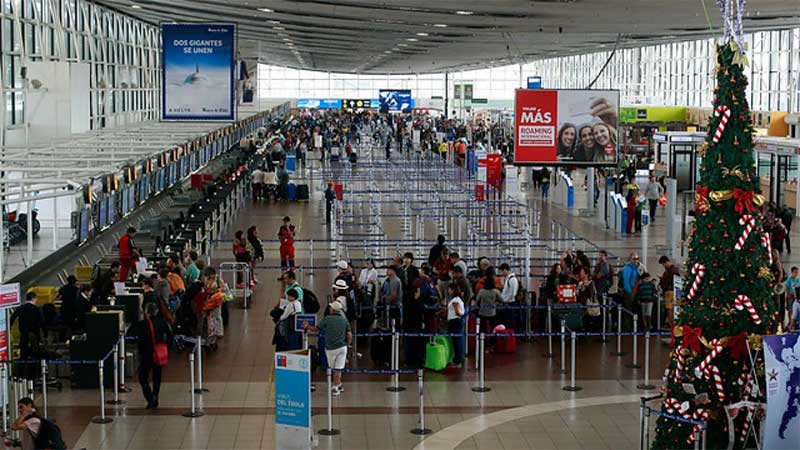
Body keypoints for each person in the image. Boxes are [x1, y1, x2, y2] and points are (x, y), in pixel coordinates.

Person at [304, 301, 351, 396]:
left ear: (333, 310)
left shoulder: (327, 319)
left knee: (334, 369)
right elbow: (349, 335)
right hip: (342, 347)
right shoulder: (344, 320)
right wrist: (347, 345)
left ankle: (335, 387)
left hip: (331, 348)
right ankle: (339, 384)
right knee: (339, 368)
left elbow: (316, 329)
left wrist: (307, 326)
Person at [133, 302, 171, 409]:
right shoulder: (162, 322)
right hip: (160, 353)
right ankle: (156, 397)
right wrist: (166, 348)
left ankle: (150, 397)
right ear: (157, 311)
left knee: (142, 376)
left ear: (146, 312)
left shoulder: (143, 324)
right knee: (157, 377)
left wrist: (140, 352)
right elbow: (170, 336)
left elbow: (140, 341)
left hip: (147, 354)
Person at [11, 292, 42, 379]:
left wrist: (9, 329)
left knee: (23, 356)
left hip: (24, 335)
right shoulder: (36, 309)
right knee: (35, 356)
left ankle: (21, 376)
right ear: (34, 298)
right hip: (34, 336)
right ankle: (33, 376)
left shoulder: (20, 308)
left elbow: (12, 318)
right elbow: (40, 323)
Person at [659, 255, 680, 333]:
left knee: (670, 310)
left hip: (670, 291)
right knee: (671, 309)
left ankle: (672, 327)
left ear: (666, 262)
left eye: (663, 264)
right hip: (672, 291)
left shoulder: (671, 270)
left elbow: (670, 280)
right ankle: (673, 327)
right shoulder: (673, 270)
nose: (663, 266)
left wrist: (662, 280)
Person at [446, 283, 465, 368]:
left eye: (449, 289)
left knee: (456, 342)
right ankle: (459, 359)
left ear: (453, 290)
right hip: (457, 321)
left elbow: (457, 312)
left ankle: (458, 361)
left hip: (455, 321)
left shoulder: (455, 301)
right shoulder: (457, 299)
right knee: (458, 341)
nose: (448, 291)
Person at [621, 253, 641, 329]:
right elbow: (626, 282)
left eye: (637, 258)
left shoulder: (636, 268)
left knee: (633, 308)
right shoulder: (628, 268)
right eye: (634, 259)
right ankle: (627, 325)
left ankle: (633, 325)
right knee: (628, 309)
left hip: (635, 291)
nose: (636, 260)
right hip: (630, 292)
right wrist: (630, 292)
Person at [499, 263, 519, 329]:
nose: (502, 273)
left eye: (502, 271)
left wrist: (506, 300)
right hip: (507, 303)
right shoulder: (509, 279)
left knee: (509, 321)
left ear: (505, 270)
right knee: (507, 321)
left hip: (509, 303)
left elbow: (513, 293)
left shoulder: (512, 279)